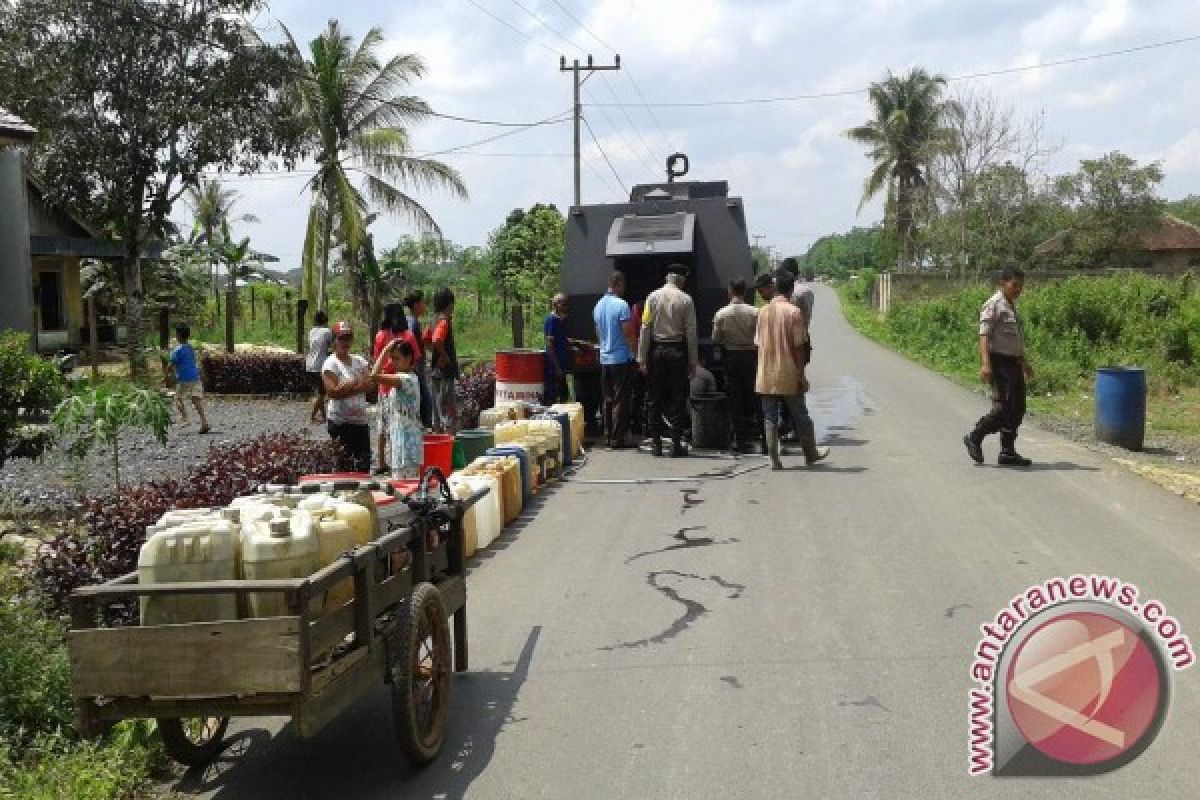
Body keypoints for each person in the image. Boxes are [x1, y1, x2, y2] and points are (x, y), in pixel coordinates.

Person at [755, 269, 830, 471]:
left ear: (776, 288)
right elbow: (798, 347)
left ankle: (774, 460)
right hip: (788, 372)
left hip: (765, 372)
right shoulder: (793, 312)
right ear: (790, 290)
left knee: (770, 417)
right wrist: (801, 375)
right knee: (801, 415)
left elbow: (758, 344)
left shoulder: (762, 312)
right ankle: (810, 454)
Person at [964, 268, 1034, 467]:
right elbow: (984, 336)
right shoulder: (994, 304)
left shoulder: (1011, 306)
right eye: (1014, 285)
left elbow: (1014, 340)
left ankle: (1008, 452)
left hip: (1014, 363)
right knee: (1004, 408)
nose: (1018, 289)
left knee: (1018, 408)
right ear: (1003, 283)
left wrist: (1024, 363)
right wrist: (986, 364)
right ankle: (975, 437)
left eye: (1021, 285)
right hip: (999, 363)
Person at [638, 265, 698, 457]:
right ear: (680, 279)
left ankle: (656, 444)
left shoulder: (652, 297)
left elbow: (645, 328)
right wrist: (693, 361)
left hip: (657, 352)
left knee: (654, 398)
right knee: (678, 398)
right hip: (677, 352)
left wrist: (642, 358)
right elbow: (691, 332)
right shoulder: (686, 300)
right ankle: (675, 444)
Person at [712, 278, 760, 452]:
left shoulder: (721, 314)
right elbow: (761, 337)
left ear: (730, 291)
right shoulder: (755, 312)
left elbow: (716, 339)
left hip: (731, 358)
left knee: (736, 399)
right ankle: (763, 436)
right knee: (756, 397)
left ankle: (740, 440)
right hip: (751, 357)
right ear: (745, 291)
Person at [373, 304, 421, 473]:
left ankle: (381, 461)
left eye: (396, 359)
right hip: (395, 386)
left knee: (384, 424)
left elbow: (375, 366)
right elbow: (417, 358)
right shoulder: (408, 336)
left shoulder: (381, 335)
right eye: (392, 359)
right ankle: (389, 460)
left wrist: (386, 350)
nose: (393, 362)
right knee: (393, 424)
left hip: (388, 385)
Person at [593, 271, 638, 449]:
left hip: (605, 359)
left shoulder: (598, 305)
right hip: (620, 359)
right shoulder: (622, 305)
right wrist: (636, 354)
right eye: (623, 286)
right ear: (619, 284)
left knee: (608, 398)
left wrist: (604, 346)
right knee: (621, 399)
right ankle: (618, 438)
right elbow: (628, 332)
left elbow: (598, 332)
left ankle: (608, 434)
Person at [322, 321, 373, 472]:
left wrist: (348, 386)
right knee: (343, 466)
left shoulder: (359, 361)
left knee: (364, 465)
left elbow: (370, 384)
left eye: (348, 338)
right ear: (334, 341)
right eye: (341, 338)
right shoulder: (330, 364)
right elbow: (333, 392)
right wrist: (358, 385)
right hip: (340, 423)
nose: (345, 342)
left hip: (360, 422)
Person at [426, 287, 459, 434]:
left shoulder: (433, 320)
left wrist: (435, 355)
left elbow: (425, 340)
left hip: (435, 373)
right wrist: (444, 356)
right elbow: (436, 339)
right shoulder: (444, 321)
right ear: (449, 304)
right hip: (445, 374)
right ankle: (449, 449)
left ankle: (439, 447)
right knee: (448, 414)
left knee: (437, 415)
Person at [166, 323, 210, 434]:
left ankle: (185, 418)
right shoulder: (190, 348)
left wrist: (166, 375)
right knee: (196, 400)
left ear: (178, 335)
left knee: (177, 398)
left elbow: (170, 365)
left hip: (183, 379)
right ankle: (204, 422)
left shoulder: (177, 350)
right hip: (195, 377)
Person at [404, 289, 433, 429]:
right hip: (416, 367)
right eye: (423, 302)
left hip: (416, 366)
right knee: (424, 398)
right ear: (416, 305)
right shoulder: (413, 323)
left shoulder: (410, 321)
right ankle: (426, 427)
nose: (425, 305)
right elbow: (410, 345)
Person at [543, 292, 571, 405]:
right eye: (563, 304)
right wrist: (557, 367)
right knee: (554, 396)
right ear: (555, 304)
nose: (565, 307)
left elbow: (562, 339)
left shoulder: (561, 320)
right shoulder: (552, 320)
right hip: (554, 366)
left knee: (564, 394)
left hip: (561, 365)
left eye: (566, 304)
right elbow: (550, 345)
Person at [306, 310, 333, 424]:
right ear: (325, 321)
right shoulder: (327, 331)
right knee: (322, 393)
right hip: (320, 365)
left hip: (309, 364)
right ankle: (311, 417)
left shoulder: (311, 331)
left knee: (320, 392)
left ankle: (323, 417)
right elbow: (331, 345)